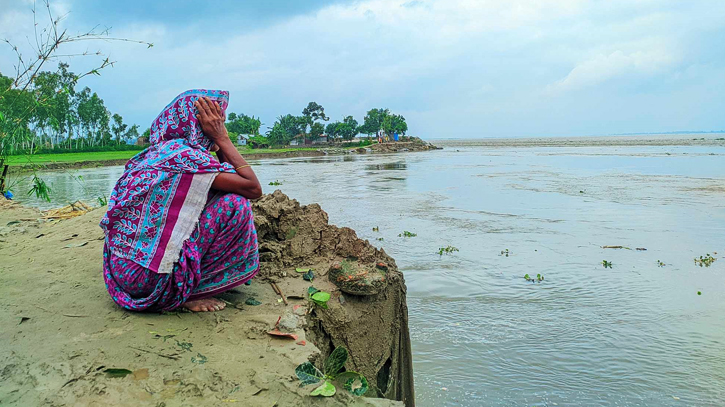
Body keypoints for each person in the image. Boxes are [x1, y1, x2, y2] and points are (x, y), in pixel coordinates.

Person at [100, 90, 262, 312]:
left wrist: (217, 139)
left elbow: (231, 177)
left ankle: (180, 278)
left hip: (122, 273)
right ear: (199, 126)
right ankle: (186, 292)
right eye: (213, 121)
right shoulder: (186, 159)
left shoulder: (156, 154)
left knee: (216, 197)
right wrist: (222, 138)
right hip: (148, 279)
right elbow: (251, 187)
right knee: (235, 205)